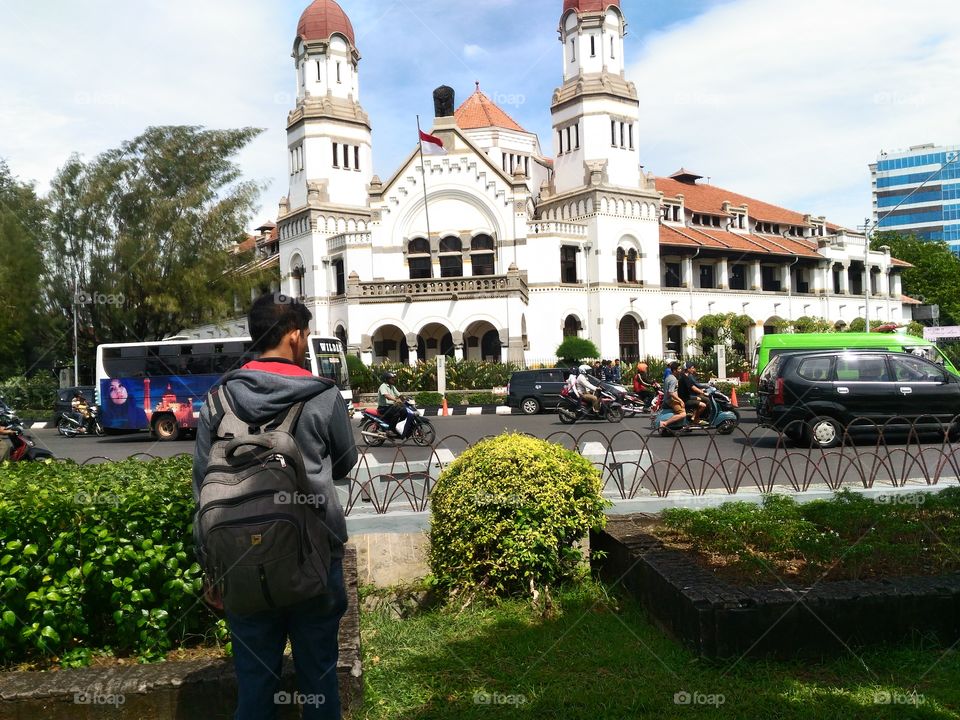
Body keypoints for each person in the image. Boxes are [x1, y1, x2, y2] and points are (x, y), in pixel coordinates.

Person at [193, 292, 357, 720]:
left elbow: (202, 487)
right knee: (319, 681)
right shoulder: (323, 395)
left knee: (254, 687)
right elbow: (343, 463)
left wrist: (209, 568)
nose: (304, 342)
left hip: (239, 565)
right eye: (303, 334)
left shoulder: (218, 399)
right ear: (292, 336)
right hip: (315, 559)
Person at [377, 371, 406, 436]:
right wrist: (396, 400)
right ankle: (390, 430)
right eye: (391, 378)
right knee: (397, 413)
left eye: (393, 378)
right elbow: (386, 396)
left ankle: (398, 427)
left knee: (404, 411)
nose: (393, 379)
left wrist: (405, 400)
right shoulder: (383, 386)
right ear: (387, 379)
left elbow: (399, 395)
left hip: (390, 407)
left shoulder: (392, 387)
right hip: (383, 408)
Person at [679, 361, 709, 425]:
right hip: (685, 399)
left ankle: (695, 417)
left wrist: (701, 391)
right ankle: (695, 419)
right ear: (688, 369)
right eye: (692, 368)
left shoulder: (685, 376)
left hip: (688, 397)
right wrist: (703, 392)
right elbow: (693, 387)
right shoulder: (685, 377)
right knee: (703, 405)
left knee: (700, 399)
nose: (693, 369)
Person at [659, 361, 687, 430]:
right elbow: (671, 392)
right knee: (683, 414)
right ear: (674, 370)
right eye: (679, 369)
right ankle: (665, 423)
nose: (680, 370)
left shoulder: (668, 377)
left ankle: (683, 424)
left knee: (684, 408)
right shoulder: (673, 379)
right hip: (671, 400)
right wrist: (680, 401)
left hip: (669, 399)